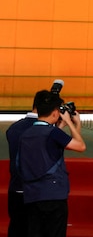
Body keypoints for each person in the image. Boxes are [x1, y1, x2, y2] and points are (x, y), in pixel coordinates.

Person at [17, 90, 86, 237]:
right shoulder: (53, 134)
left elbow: (51, 143)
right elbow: (80, 146)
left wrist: (61, 126)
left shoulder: (26, 134)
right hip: (53, 194)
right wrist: (71, 122)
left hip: (32, 194)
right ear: (55, 113)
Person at [5, 93, 39, 237]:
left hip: (16, 187)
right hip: (36, 191)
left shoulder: (14, 128)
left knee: (16, 227)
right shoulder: (44, 130)